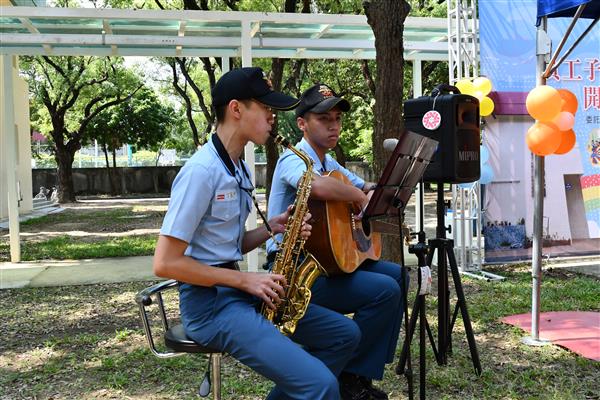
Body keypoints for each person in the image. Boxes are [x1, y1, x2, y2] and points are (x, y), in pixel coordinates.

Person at [154, 68, 362, 400]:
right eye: (265, 108)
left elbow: (226, 245)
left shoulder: (238, 167)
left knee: (345, 333)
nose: (272, 117)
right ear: (236, 109)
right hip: (209, 308)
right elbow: (165, 263)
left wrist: (273, 227)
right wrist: (247, 281)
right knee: (321, 385)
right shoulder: (200, 171)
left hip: (233, 292)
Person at [267, 83, 408, 400]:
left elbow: (365, 186)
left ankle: (357, 375)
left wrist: (368, 193)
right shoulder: (295, 157)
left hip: (326, 264)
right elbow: (317, 187)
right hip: (294, 273)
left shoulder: (331, 162)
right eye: (323, 119)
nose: (333, 125)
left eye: (337, 118)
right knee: (384, 291)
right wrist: (358, 195)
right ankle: (348, 378)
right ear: (302, 123)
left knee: (399, 276)